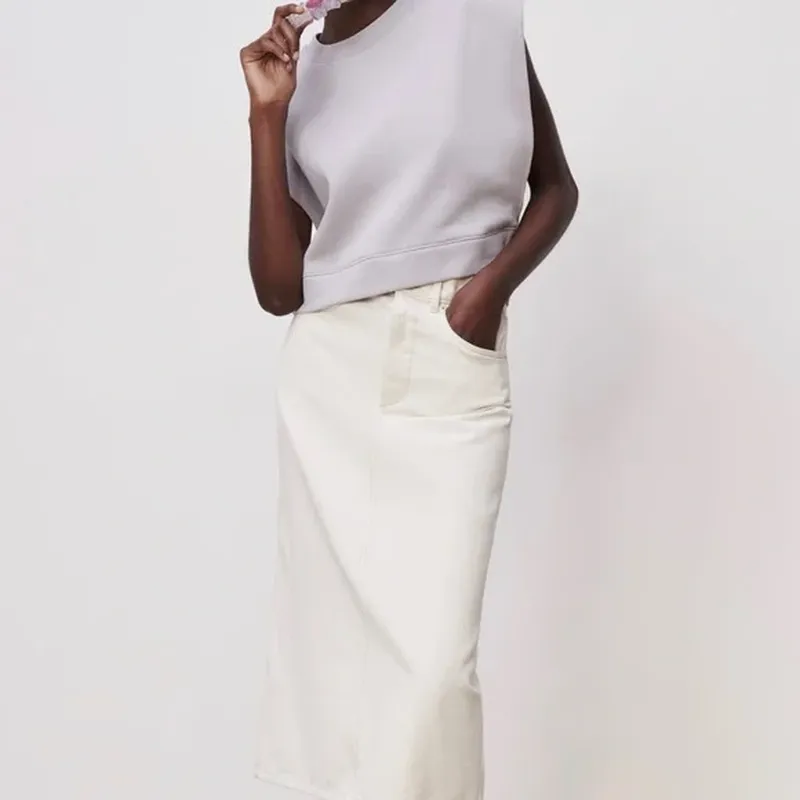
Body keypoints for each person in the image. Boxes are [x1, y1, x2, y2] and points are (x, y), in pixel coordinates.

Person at [240, 2, 578, 799]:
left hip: (448, 352)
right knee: (338, 673)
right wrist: (267, 113)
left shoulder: (474, 15)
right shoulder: (304, 74)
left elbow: (556, 189)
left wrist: (483, 296)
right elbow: (280, 287)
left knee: (433, 674)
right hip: (328, 379)